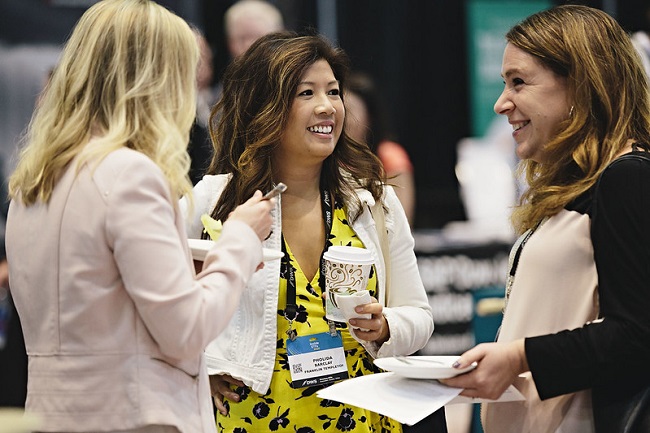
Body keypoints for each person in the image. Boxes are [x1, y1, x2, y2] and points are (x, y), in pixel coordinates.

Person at [5, 1, 274, 432]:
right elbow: (186, 330)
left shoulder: (35, 179)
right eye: (184, 74)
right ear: (156, 81)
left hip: (55, 414)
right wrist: (240, 239)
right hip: (133, 416)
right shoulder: (131, 175)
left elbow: (92, 303)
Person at [179, 31, 441, 432]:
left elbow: (420, 317)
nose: (327, 106)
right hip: (254, 421)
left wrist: (386, 326)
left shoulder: (374, 203)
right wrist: (199, 368)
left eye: (333, 92)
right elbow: (164, 310)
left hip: (361, 420)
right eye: (306, 93)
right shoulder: (213, 201)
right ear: (264, 107)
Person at [441, 5, 650, 433]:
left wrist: (519, 356)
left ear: (581, 84)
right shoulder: (580, 183)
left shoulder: (627, 177)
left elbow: (637, 333)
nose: (501, 103)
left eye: (519, 82)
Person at [345, 71, 416, 226]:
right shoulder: (328, 157)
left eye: (350, 111)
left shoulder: (389, 155)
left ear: (369, 116)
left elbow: (403, 219)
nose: (343, 119)